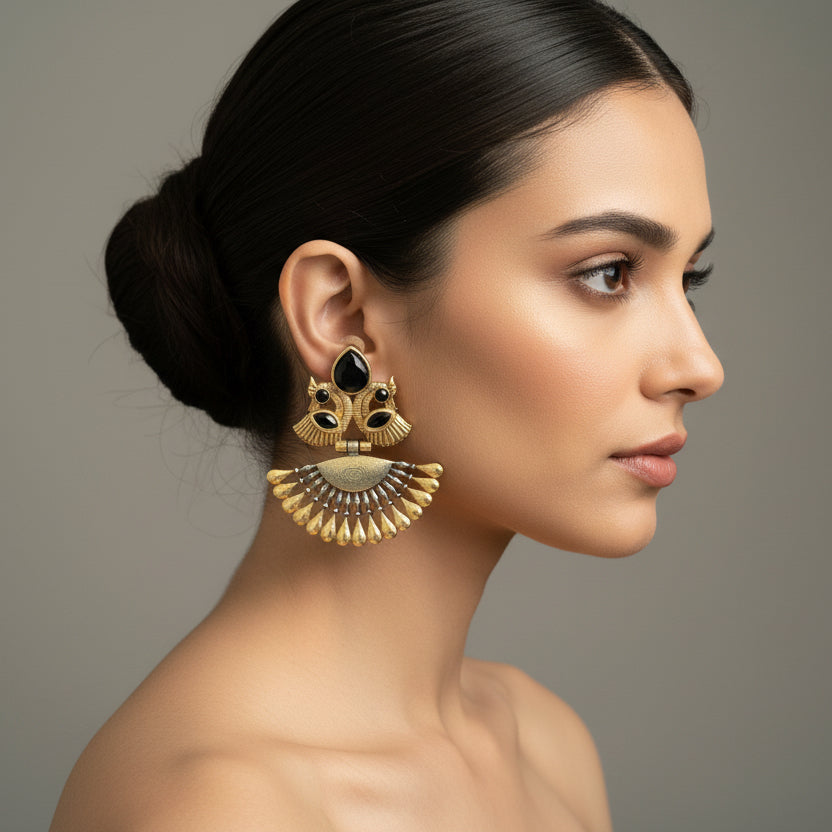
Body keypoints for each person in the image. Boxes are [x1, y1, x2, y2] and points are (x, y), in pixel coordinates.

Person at [50, 0, 724, 829]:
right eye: (608, 273)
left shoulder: (546, 745)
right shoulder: (213, 809)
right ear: (340, 316)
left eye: (688, 280)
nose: (700, 366)